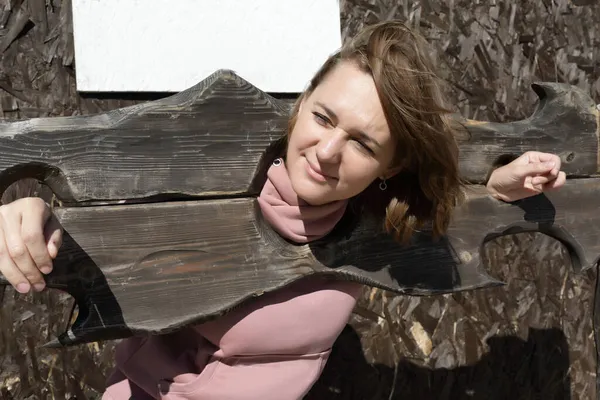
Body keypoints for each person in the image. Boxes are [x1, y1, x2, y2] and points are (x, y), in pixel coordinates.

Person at [0, 21, 565, 399]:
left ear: (389, 168)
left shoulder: (382, 221)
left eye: (364, 144)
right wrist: (33, 213)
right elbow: (112, 216)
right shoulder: (192, 188)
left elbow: (441, 197)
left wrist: (496, 188)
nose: (327, 153)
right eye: (323, 118)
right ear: (298, 109)